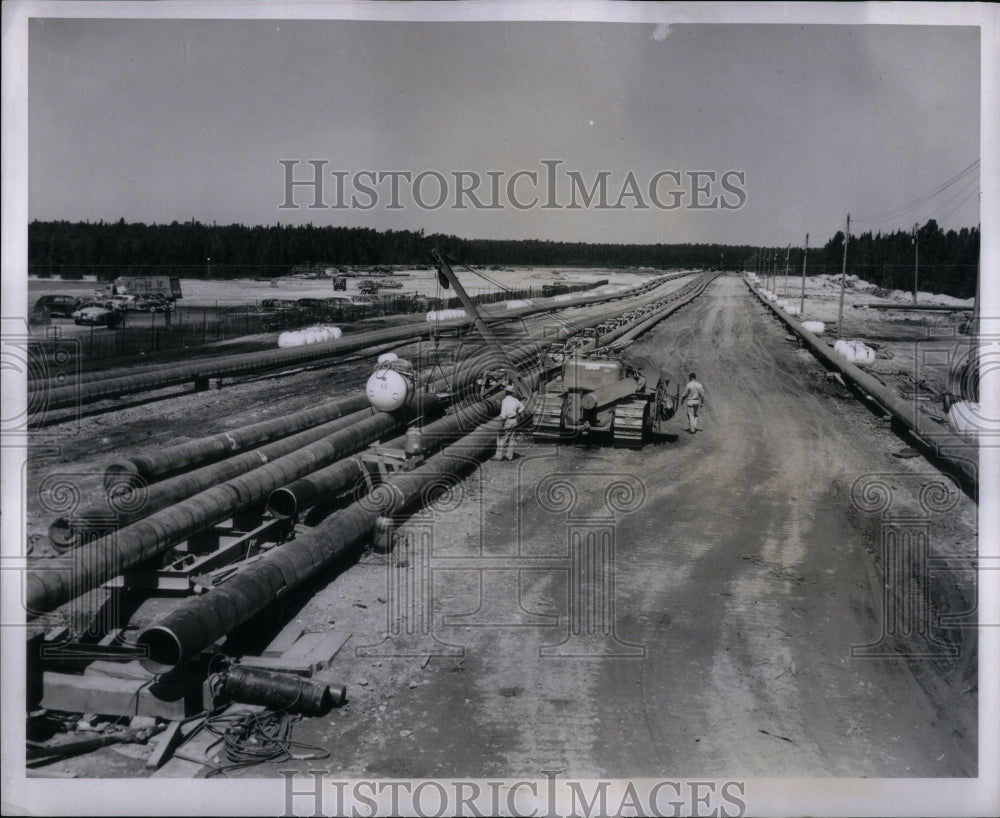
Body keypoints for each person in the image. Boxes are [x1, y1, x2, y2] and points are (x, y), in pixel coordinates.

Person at [493, 384, 526, 461]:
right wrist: (517, 415)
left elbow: (503, 414)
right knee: (511, 438)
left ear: (506, 392)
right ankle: (509, 456)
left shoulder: (505, 401)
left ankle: (498, 456)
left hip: (507, 421)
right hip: (514, 420)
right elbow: (523, 408)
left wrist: (501, 424)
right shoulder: (515, 400)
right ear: (512, 393)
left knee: (501, 438)